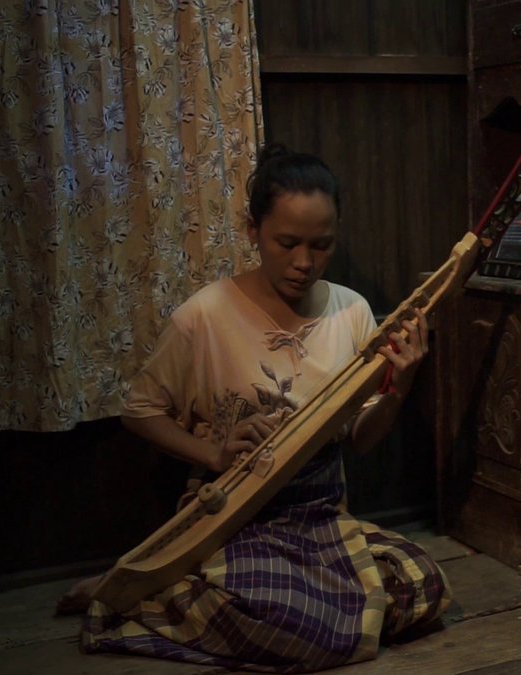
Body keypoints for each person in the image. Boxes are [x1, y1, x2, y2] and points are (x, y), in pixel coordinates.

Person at [58, 144, 451, 671]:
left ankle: (172, 582)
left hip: (320, 516)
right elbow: (139, 410)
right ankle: (136, 587)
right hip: (238, 518)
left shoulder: (351, 310)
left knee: (423, 584)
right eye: (286, 243)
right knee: (299, 624)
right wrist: (214, 452)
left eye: (321, 245)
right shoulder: (205, 315)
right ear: (253, 231)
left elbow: (359, 438)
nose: (304, 262)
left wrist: (400, 387)